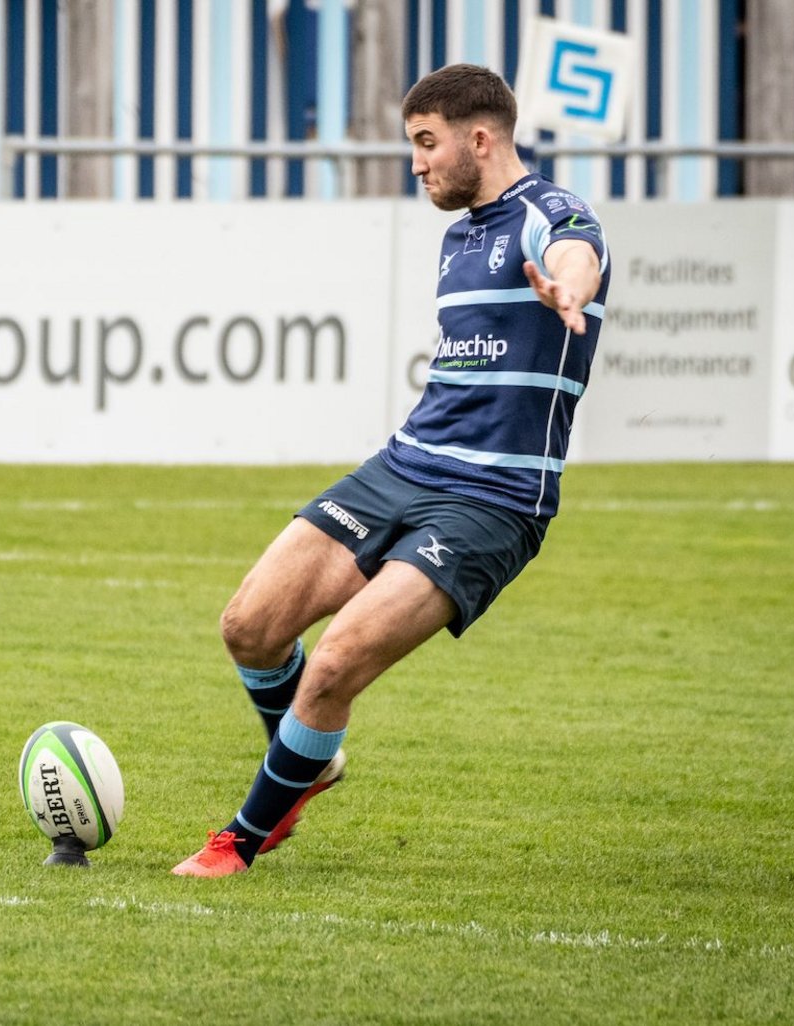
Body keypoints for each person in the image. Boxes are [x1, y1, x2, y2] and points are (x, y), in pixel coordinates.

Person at [172, 64, 611, 877]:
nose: (416, 164)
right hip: (406, 466)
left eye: (425, 143)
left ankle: (241, 840)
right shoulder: (459, 237)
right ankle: (309, 759)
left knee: (334, 664)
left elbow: (576, 251)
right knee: (249, 627)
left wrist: (569, 291)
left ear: (479, 139)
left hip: (494, 501)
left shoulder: (552, 215)